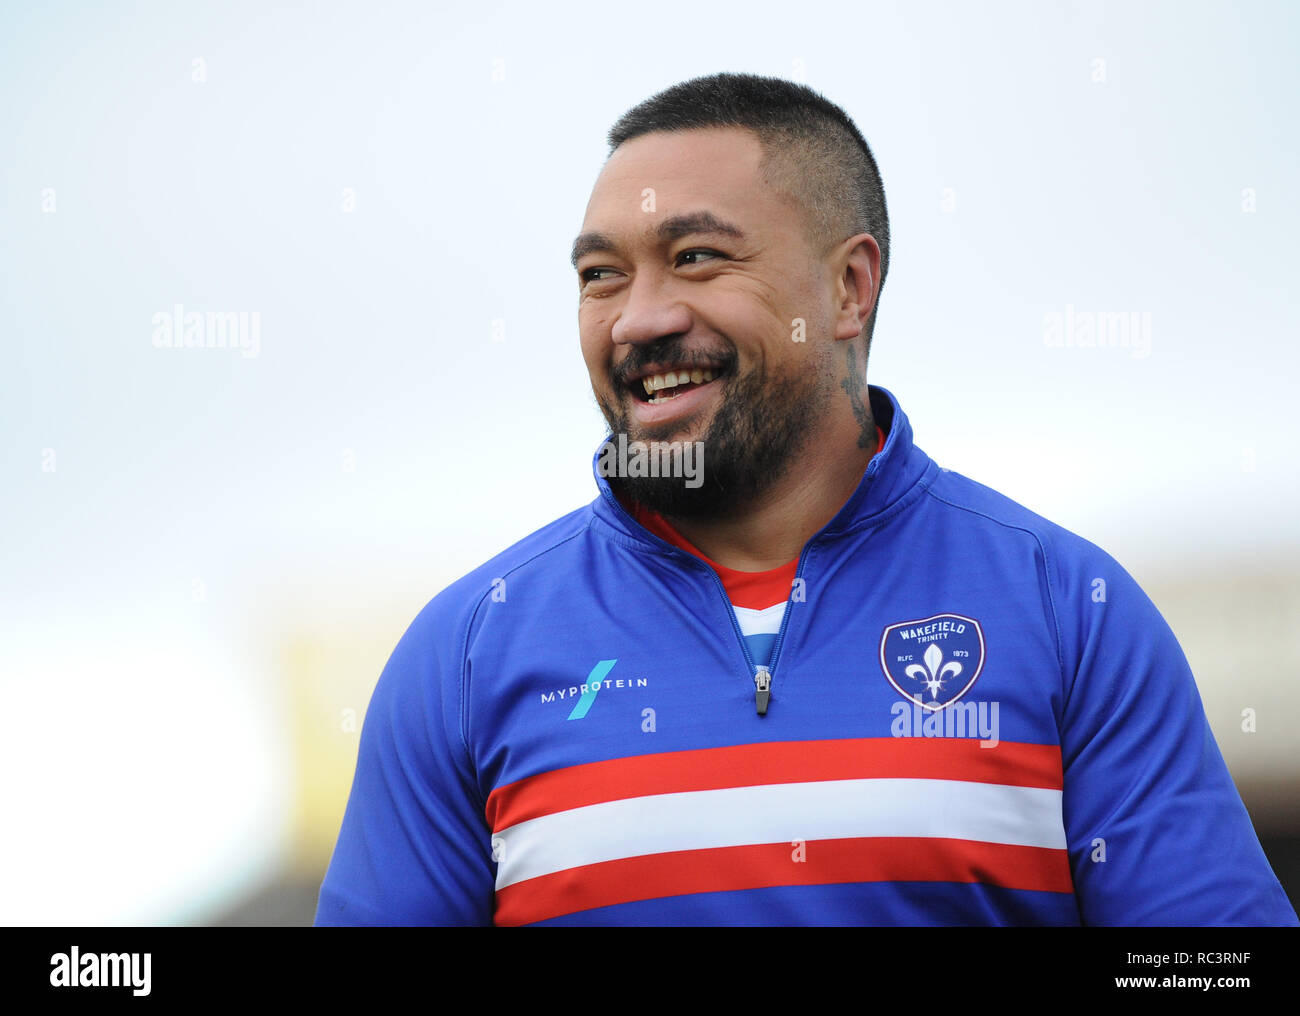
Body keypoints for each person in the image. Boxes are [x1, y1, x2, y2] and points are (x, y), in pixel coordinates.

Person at [314, 72, 1297, 927]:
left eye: (695, 256)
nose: (640, 317)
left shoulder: (1069, 609)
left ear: (848, 289)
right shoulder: (464, 650)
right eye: (600, 275)